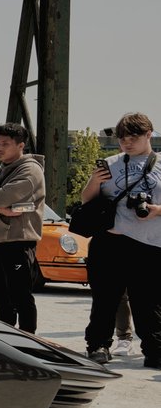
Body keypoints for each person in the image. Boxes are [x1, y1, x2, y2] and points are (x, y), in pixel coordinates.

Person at [81, 113, 161, 367]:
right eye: (123, 138)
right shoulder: (109, 163)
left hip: (148, 243)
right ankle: (98, 346)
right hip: (109, 242)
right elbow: (86, 200)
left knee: (149, 302)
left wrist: (157, 210)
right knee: (104, 300)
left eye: (133, 137)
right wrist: (95, 180)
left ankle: (155, 349)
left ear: (149, 134)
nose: (127, 143)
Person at [0, 123, 45, 334]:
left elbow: (2, 196)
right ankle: (4, 342)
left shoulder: (30, 169)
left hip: (16, 242)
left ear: (21, 145)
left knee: (20, 296)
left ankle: (29, 341)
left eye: (6, 144)